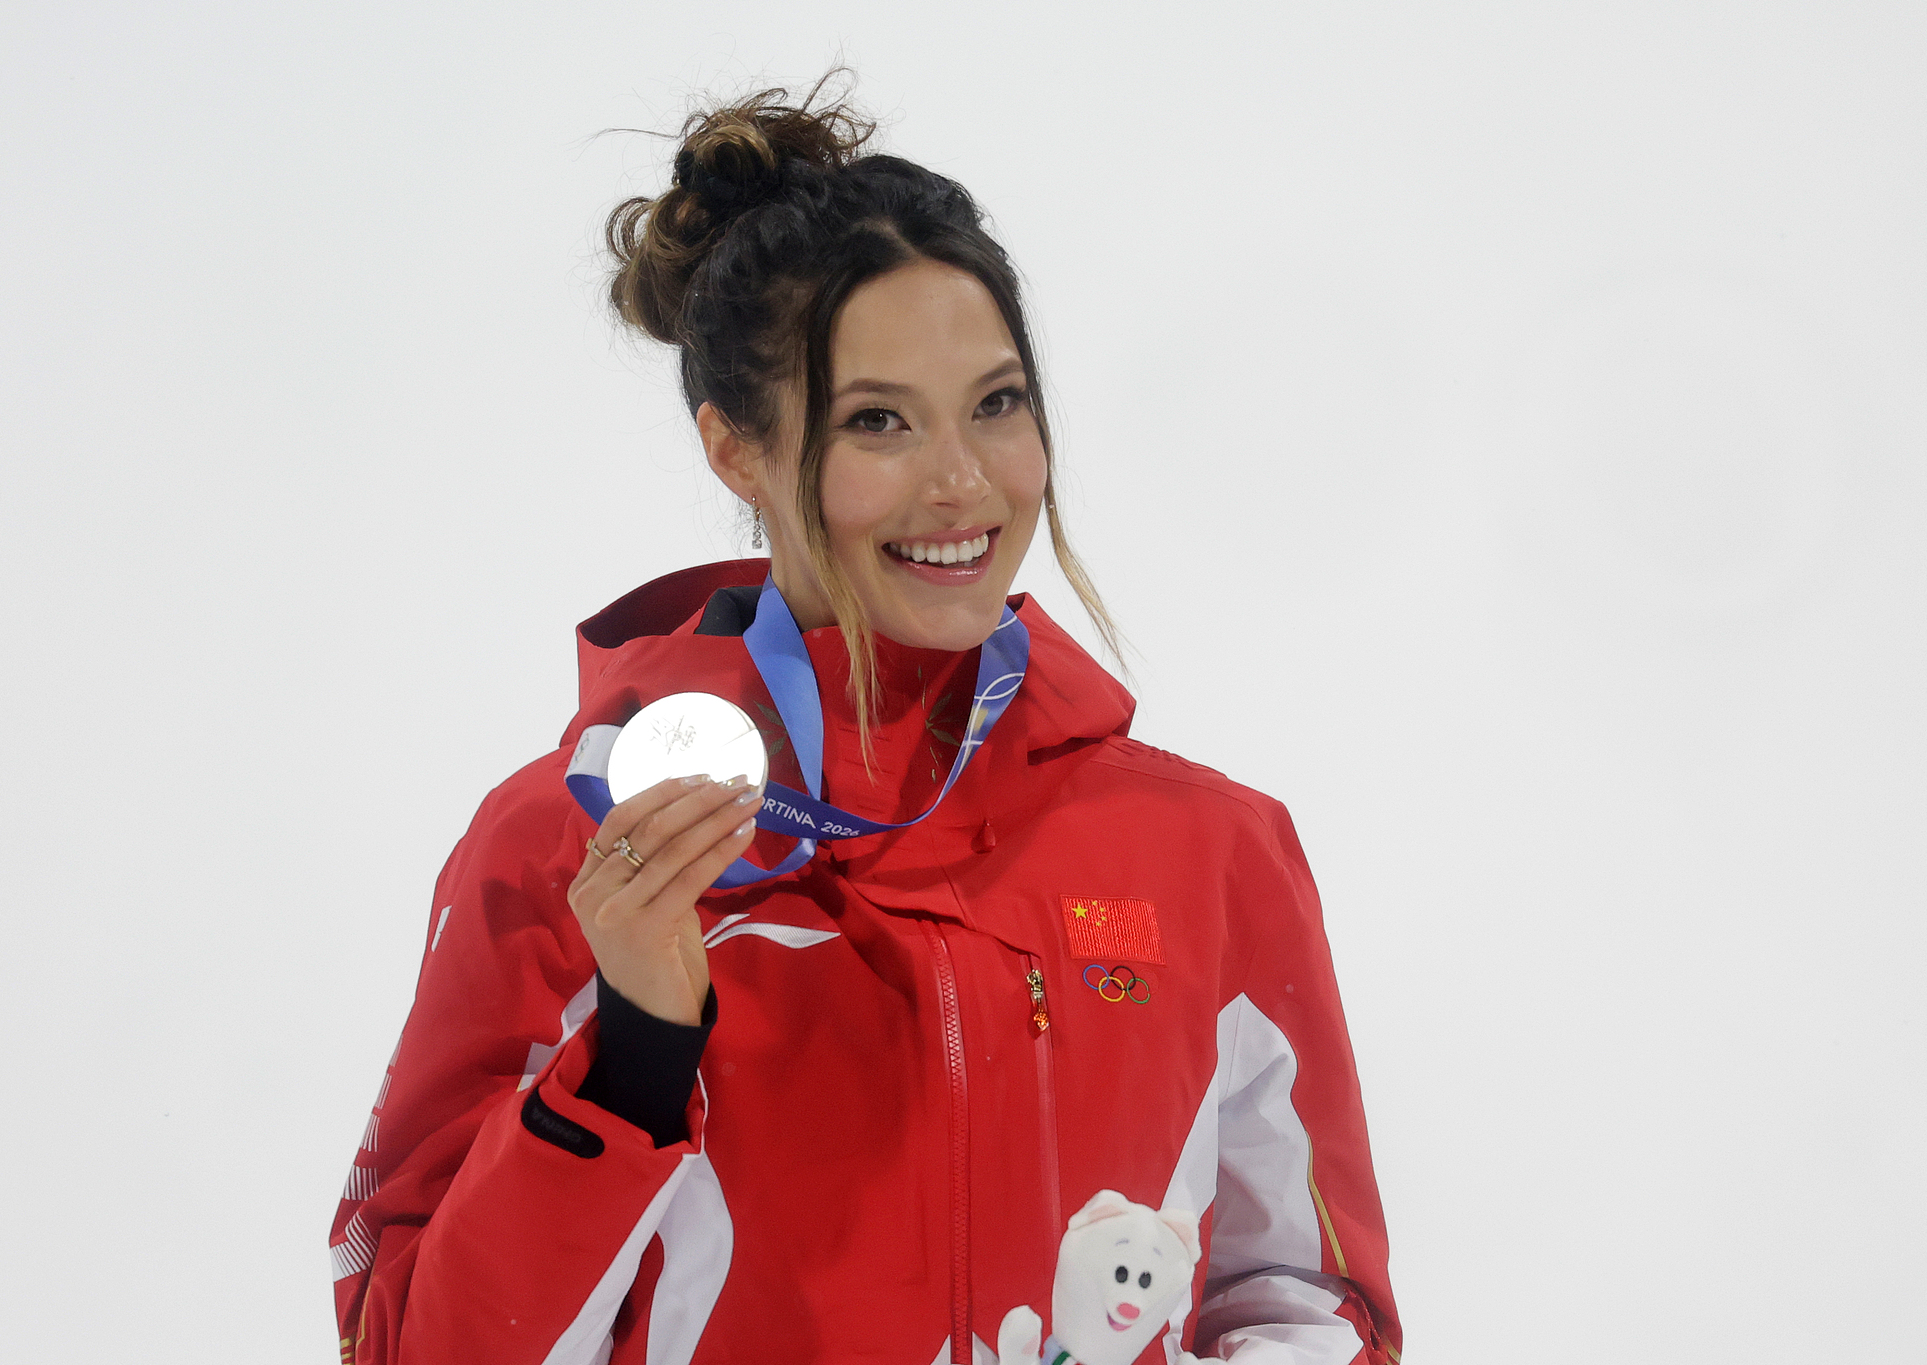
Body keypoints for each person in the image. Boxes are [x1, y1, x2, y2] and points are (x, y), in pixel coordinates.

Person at [329, 76, 1402, 1365]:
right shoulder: (568, 850)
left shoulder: (1211, 853)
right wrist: (635, 1057)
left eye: (998, 405)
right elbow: (409, 1349)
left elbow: (1306, 1301)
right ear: (737, 450)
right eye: (877, 422)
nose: (963, 483)